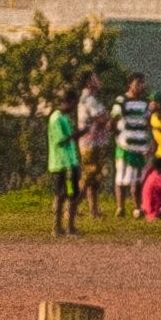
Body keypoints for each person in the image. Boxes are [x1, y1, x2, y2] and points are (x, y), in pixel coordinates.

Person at [73, 71, 113, 219]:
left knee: (93, 178)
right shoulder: (89, 100)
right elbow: (102, 117)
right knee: (89, 174)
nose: (98, 80)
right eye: (95, 78)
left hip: (93, 142)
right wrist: (111, 118)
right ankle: (72, 206)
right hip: (90, 143)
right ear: (89, 82)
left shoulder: (90, 99)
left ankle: (93, 210)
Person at [114, 73, 154, 214]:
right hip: (125, 146)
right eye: (137, 83)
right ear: (130, 84)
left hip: (140, 146)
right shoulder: (122, 100)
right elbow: (114, 118)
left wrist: (151, 143)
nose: (140, 86)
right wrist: (119, 136)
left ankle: (137, 207)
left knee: (137, 179)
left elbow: (149, 123)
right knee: (121, 177)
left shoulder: (145, 102)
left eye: (142, 83)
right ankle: (120, 207)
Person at [47, 96, 81, 238]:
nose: (73, 108)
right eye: (72, 104)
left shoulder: (64, 117)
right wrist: (76, 134)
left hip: (69, 162)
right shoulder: (56, 119)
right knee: (61, 195)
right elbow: (60, 140)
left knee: (72, 194)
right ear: (64, 102)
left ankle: (68, 227)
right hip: (61, 163)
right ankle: (59, 227)